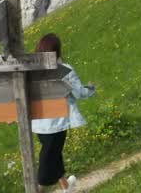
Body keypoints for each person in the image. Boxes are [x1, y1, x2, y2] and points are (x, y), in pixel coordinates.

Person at [31, 33, 95, 192]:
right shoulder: (65, 70)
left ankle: (66, 187)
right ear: (57, 51)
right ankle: (35, 189)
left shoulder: (32, 72)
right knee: (48, 158)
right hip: (57, 124)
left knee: (53, 154)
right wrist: (91, 89)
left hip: (39, 124)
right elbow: (79, 93)